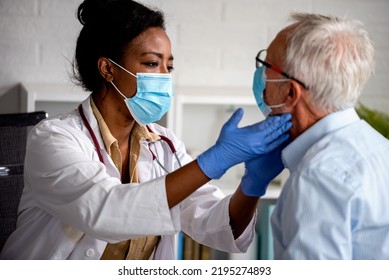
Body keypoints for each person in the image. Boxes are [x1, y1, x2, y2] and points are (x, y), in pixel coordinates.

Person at [0, 0, 291, 260]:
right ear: (107, 69)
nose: (164, 78)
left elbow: (218, 227)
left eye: (169, 67)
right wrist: (213, 161)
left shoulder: (165, 145)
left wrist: (252, 185)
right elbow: (107, 212)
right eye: (152, 63)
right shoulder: (53, 139)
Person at [252, 12, 389, 259]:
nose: (260, 75)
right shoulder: (380, 147)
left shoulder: (317, 176)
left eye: (266, 66)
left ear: (290, 93)